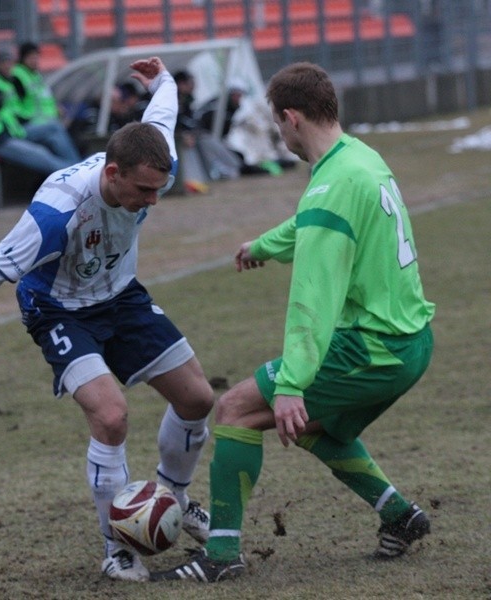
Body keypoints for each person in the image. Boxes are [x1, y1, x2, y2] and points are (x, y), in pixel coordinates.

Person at [152, 62, 436, 583]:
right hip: (409, 341)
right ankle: (399, 515)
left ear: (290, 117)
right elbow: (318, 221)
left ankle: (220, 556)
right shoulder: (357, 159)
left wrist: (292, 383)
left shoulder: (332, 185)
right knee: (306, 426)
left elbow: (314, 301)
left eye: (277, 124)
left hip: (372, 347)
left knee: (237, 408)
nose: (278, 134)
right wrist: (264, 245)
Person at [0, 57, 214, 582]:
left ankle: (169, 502)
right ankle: (118, 549)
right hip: (59, 308)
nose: (153, 201)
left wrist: (159, 81)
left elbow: (165, 107)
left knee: (198, 398)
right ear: (112, 173)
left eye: (160, 189)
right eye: (143, 192)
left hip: (120, 295)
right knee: (110, 417)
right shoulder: (56, 213)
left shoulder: (152, 155)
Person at [173, 70, 240, 185]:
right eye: (190, 82)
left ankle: (228, 167)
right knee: (202, 141)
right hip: (177, 139)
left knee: (205, 139)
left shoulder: (187, 100)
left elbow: (191, 122)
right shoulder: (172, 100)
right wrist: (184, 134)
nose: (193, 86)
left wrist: (192, 133)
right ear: (181, 84)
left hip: (193, 137)